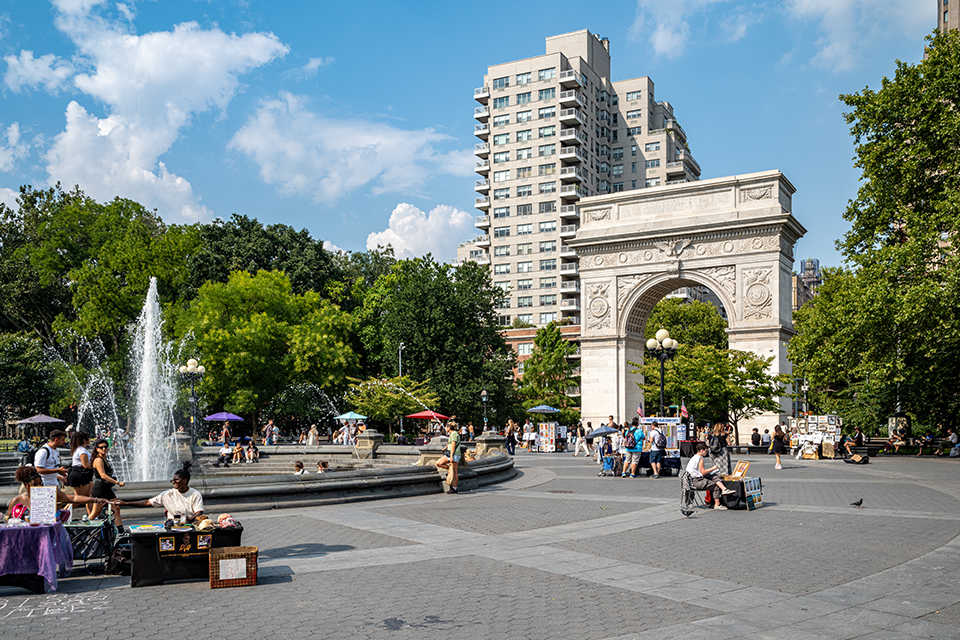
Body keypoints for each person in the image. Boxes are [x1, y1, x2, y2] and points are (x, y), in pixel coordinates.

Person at [116, 461, 204, 523]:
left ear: (185, 480)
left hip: (190, 524)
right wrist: (126, 503)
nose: (173, 482)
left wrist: (189, 519)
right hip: (172, 523)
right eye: (172, 480)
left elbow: (199, 513)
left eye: (176, 480)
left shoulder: (195, 494)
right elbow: (147, 502)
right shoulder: (167, 495)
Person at [6, 466, 107, 518]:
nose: (39, 486)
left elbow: (73, 498)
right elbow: (8, 520)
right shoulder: (17, 500)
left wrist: (95, 500)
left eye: (40, 483)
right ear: (26, 485)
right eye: (35, 484)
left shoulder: (49, 493)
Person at [685, 442, 736, 510]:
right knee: (715, 486)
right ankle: (717, 504)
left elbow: (700, 471)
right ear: (702, 450)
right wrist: (713, 468)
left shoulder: (694, 457)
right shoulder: (700, 458)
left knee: (713, 475)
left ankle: (724, 489)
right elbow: (703, 472)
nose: (707, 452)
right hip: (696, 481)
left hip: (691, 480)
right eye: (706, 451)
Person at [89, 439, 125, 529]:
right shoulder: (98, 460)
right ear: (97, 449)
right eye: (101, 447)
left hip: (107, 489)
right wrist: (117, 482)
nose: (104, 449)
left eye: (105, 447)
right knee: (95, 513)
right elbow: (103, 475)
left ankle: (121, 531)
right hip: (100, 489)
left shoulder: (104, 459)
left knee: (116, 509)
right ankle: (81, 527)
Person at [67, 431, 95, 517]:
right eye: (88, 438)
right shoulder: (82, 451)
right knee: (79, 499)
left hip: (84, 475)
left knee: (89, 497)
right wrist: (97, 466)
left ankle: (91, 516)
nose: (90, 440)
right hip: (80, 475)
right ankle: (62, 514)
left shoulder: (80, 449)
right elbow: (85, 465)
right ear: (84, 440)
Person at [435, 420, 462, 493]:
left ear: (449, 427)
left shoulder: (454, 434)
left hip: (454, 454)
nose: (445, 428)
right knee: (439, 463)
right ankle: (450, 470)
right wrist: (445, 447)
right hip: (450, 454)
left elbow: (453, 445)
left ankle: (454, 488)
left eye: (446, 427)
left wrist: (451, 456)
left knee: (455, 472)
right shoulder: (453, 434)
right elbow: (450, 443)